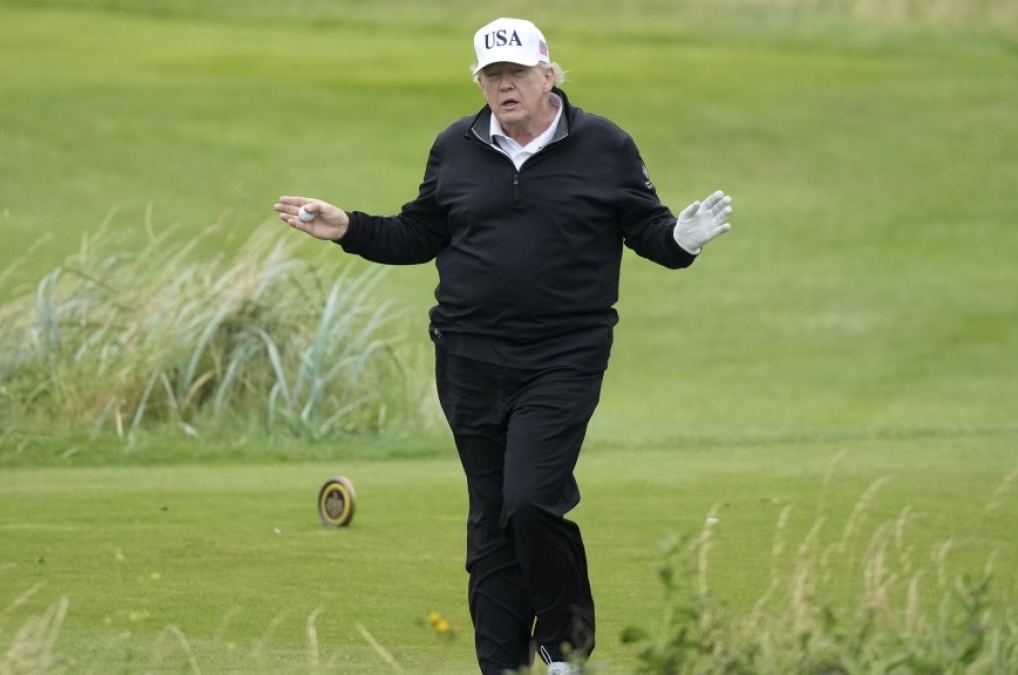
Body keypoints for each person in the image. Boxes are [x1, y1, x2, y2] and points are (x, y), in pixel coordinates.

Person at [274, 16, 733, 675]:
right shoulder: (455, 147)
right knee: (492, 515)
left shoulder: (605, 146)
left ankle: (565, 645)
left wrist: (682, 240)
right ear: (479, 82)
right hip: (467, 356)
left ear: (549, 74)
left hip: (564, 355)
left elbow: (651, 233)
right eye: (491, 75)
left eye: (516, 72)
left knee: (532, 499)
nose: (504, 85)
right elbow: (417, 233)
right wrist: (348, 227)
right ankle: (501, 664)